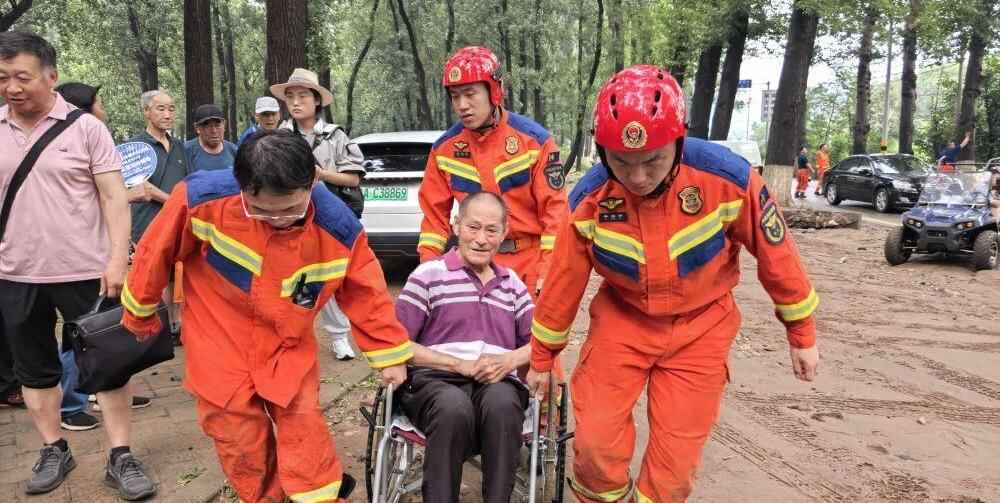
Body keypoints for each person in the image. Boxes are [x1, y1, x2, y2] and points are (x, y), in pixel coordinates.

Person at [526, 65, 820, 503]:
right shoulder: (588, 200)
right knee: (595, 445)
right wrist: (542, 357)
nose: (637, 177)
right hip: (622, 323)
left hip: (702, 330)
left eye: (652, 160)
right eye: (621, 162)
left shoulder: (728, 179)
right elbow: (562, 285)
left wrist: (801, 332)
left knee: (674, 468)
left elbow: (778, 255)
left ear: (679, 141)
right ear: (601, 151)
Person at [121, 129, 411, 503]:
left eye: (290, 210)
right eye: (260, 210)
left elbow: (367, 294)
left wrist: (390, 356)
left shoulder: (338, 229)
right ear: (241, 185)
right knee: (237, 437)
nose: (277, 219)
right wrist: (140, 313)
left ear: (312, 181)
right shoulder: (200, 200)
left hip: (287, 344)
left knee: (304, 431)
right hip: (219, 339)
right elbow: (154, 253)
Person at [0, 31, 156, 499]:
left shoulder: (86, 129)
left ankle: (121, 454)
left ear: (51, 76)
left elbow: (113, 197)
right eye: (3, 78)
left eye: (22, 76)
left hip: (88, 271)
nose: (12, 87)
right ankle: (54, 448)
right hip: (15, 273)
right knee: (34, 370)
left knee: (109, 365)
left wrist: (118, 259)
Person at [395, 192, 533, 503]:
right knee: (452, 406)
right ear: (457, 225)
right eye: (473, 227)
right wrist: (458, 365)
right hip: (435, 383)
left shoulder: (512, 284)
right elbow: (396, 343)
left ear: (504, 232)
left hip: (497, 382)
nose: (481, 239)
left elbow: (541, 342)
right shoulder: (428, 275)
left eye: (491, 230)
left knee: (502, 404)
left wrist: (509, 360)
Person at [417, 46, 568, 299]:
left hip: (528, 268)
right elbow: (433, 221)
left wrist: (547, 271)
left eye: (470, 94)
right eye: (455, 96)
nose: (462, 105)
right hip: (470, 269)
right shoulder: (445, 150)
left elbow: (556, 214)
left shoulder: (534, 142)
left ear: (494, 90)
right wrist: (427, 272)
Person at [55, 82, 154, 432]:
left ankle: (106, 389)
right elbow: (92, 200)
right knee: (81, 330)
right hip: (76, 258)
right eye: (99, 102)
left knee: (104, 327)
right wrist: (130, 196)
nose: (104, 108)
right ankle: (72, 404)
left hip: (99, 250)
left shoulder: (95, 140)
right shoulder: (69, 145)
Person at [272, 67, 365, 361]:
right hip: (289, 220)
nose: (295, 102)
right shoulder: (279, 137)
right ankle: (290, 336)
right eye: (290, 96)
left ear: (316, 100)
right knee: (290, 278)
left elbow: (353, 178)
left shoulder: (334, 136)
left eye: (302, 95)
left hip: (327, 218)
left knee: (329, 275)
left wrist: (321, 175)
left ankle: (339, 337)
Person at [128, 89, 189, 344]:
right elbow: (142, 188)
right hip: (147, 223)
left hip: (177, 222)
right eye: (160, 109)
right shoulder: (135, 148)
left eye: (171, 109)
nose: (167, 114)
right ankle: (153, 331)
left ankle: (176, 326)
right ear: (146, 112)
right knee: (153, 278)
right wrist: (175, 202)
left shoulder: (180, 147)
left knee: (177, 276)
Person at [185, 103, 237, 172]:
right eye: (208, 126)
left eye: (217, 125)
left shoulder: (234, 151)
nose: (214, 131)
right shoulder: (186, 151)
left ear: (224, 125)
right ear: (197, 128)